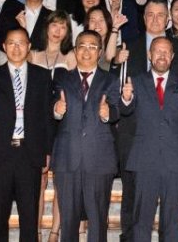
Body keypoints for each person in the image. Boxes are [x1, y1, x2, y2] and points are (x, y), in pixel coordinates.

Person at [0, 28, 56, 242]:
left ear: (29, 46)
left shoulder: (42, 76)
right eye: (11, 43)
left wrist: (47, 151)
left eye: (21, 42)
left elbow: (47, 117)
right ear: (3, 46)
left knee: (30, 217)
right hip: (0, 155)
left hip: (29, 154)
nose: (16, 47)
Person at [121, 35, 178, 242]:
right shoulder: (136, 82)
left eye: (166, 52)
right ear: (149, 54)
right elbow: (124, 110)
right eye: (157, 51)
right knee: (141, 220)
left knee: (172, 221)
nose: (162, 55)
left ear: (173, 56)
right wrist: (126, 98)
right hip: (145, 160)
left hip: (175, 161)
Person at [50, 30, 120, 242]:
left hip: (99, 158)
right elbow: (49, 106)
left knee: (98, 220)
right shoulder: (61, 78)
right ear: (75, 50)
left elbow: (118, 109)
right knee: (68, 220)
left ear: (99, 52)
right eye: (82, 46)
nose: (87, 51)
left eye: (92, 47)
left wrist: (109, 114)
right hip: (67, 157)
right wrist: (56, 109)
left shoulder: (111, 79)